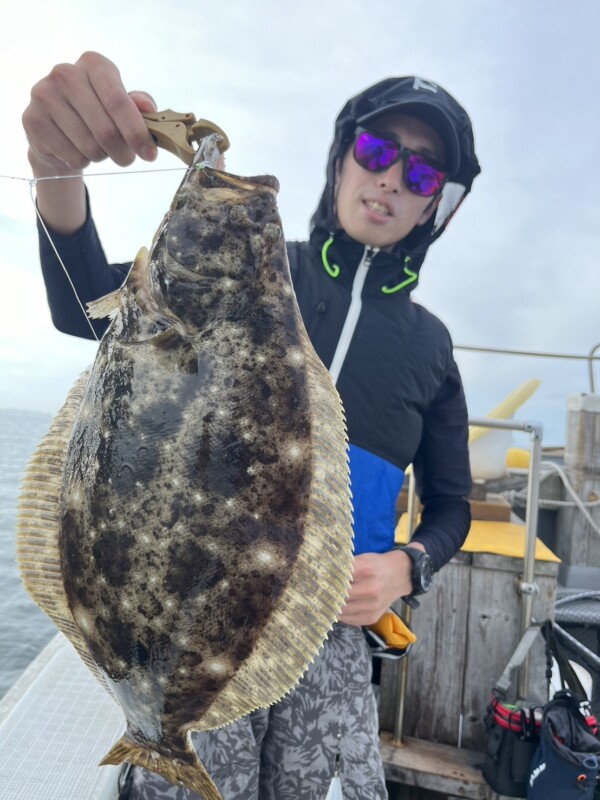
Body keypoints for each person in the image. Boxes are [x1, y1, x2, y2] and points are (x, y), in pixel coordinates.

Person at [22, 52, 481, 800]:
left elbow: (454, 504)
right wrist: (55, 171)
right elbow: (85, 308)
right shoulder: (263, 267)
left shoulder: (432, 347)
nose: (393, 178)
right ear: (342, 160)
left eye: (424, 173)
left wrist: (406, 567)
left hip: (332, 631)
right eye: (376, 151)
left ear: (439, 202)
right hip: (197, 609)